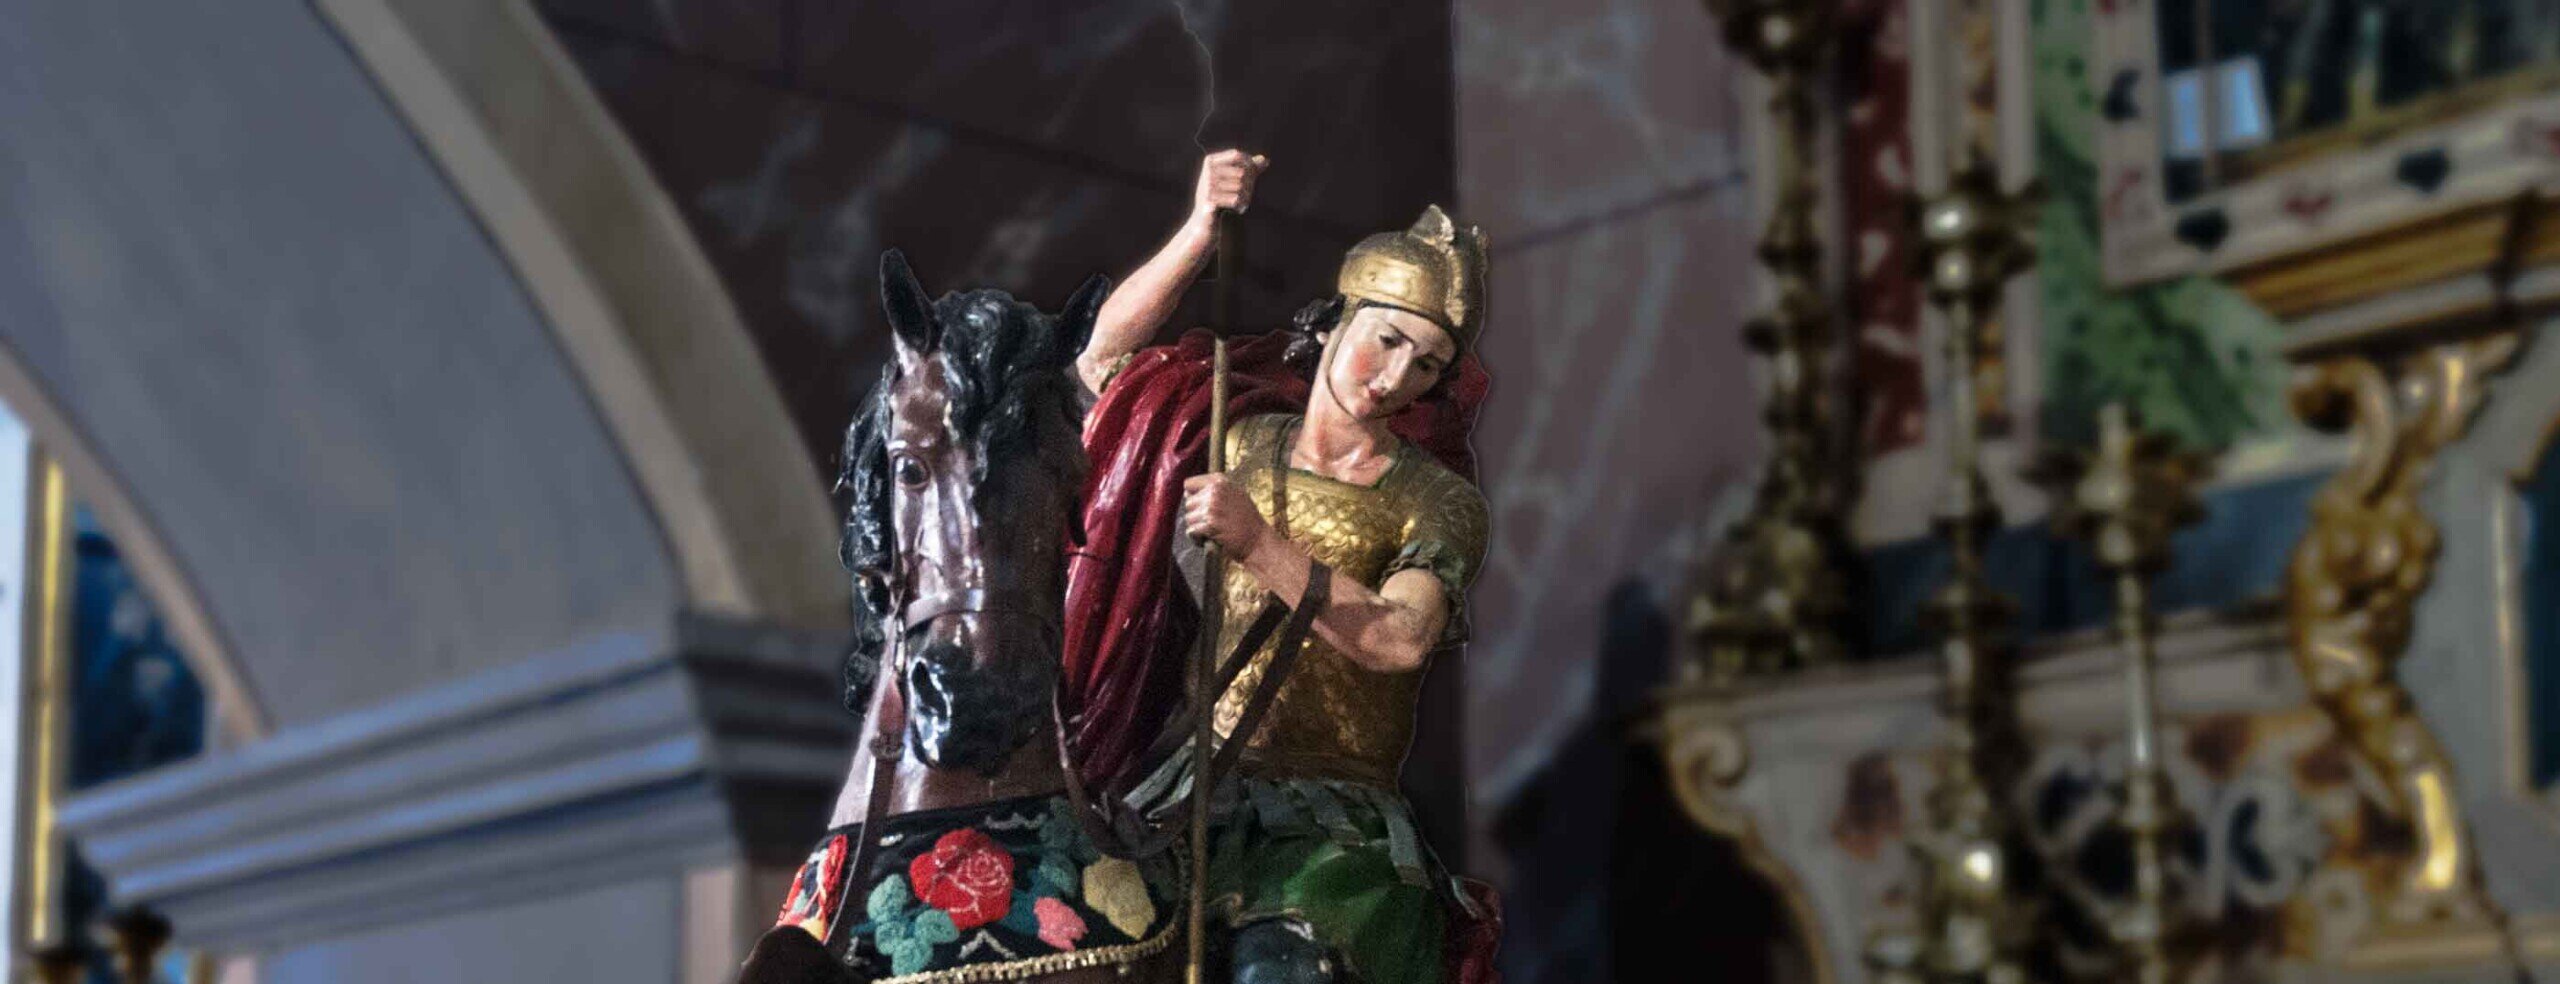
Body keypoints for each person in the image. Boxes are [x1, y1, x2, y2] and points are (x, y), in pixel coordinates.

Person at [1071, 150, 1496, 984]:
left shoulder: (1437, 501)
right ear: (1336, 321)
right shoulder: (1230, 433)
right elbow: (1104, 364)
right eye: (1387, 341)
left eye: (1427, 366)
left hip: (1334, 827)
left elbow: (1401, 638)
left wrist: (1258, 542)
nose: (1396, 378)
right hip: (1188, 789)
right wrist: (1200, 229)